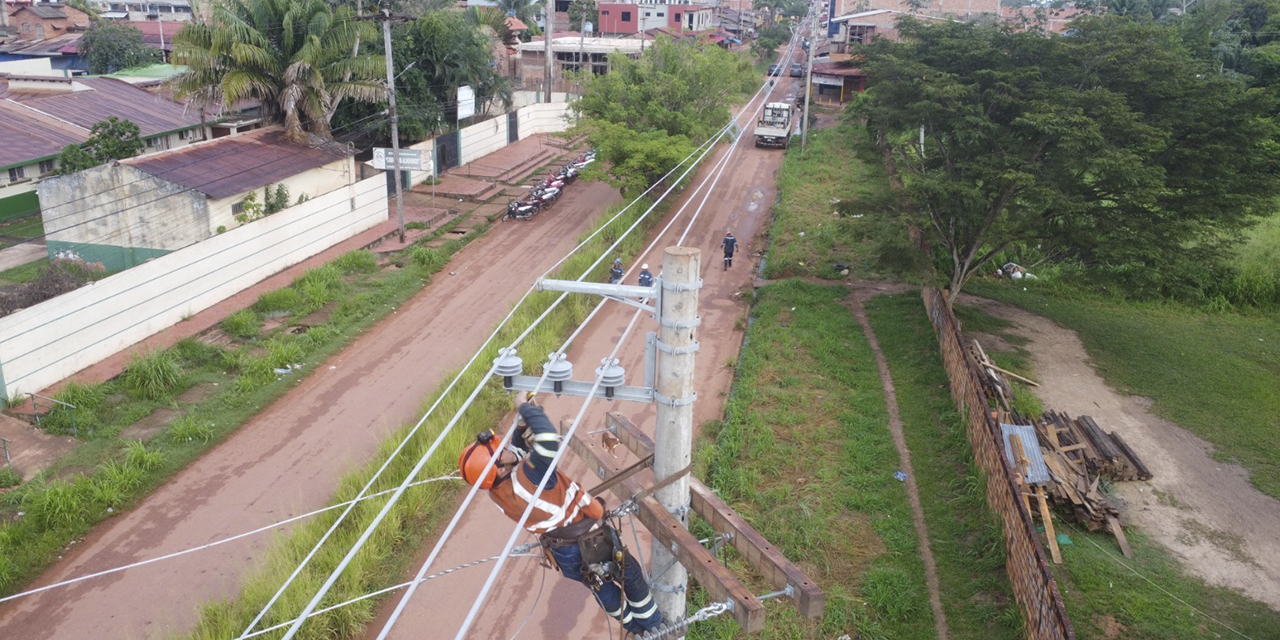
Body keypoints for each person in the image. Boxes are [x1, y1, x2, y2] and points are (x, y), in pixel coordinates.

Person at [458, 393, 663, 636]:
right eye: (501, 451)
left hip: (562, 551)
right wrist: (524, 406)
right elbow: (547, 439)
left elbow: (516, 454)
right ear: (499, 468)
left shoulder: (498, 490)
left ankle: (639, 630)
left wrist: (522, 426)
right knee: (630, 575)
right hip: (588, 540)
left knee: (601, 587)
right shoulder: (530, 476)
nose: (506, 447)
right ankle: (658, 627)